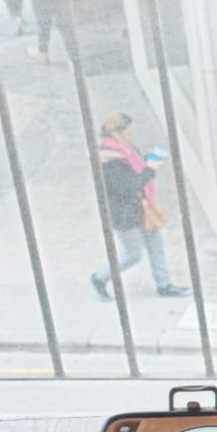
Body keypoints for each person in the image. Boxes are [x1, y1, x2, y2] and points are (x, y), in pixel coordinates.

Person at [90, 111, 190, 298]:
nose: (131, 136)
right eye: (127, 132)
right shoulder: (108, 161)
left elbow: (136, 169)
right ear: (115, 134)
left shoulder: (126, 149)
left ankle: (164, 285)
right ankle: (99, 277)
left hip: (144, 207)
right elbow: (128, 186)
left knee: (156, 245)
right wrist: (150, 169)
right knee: (133, 254)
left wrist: (148, 160)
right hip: (124, 214)